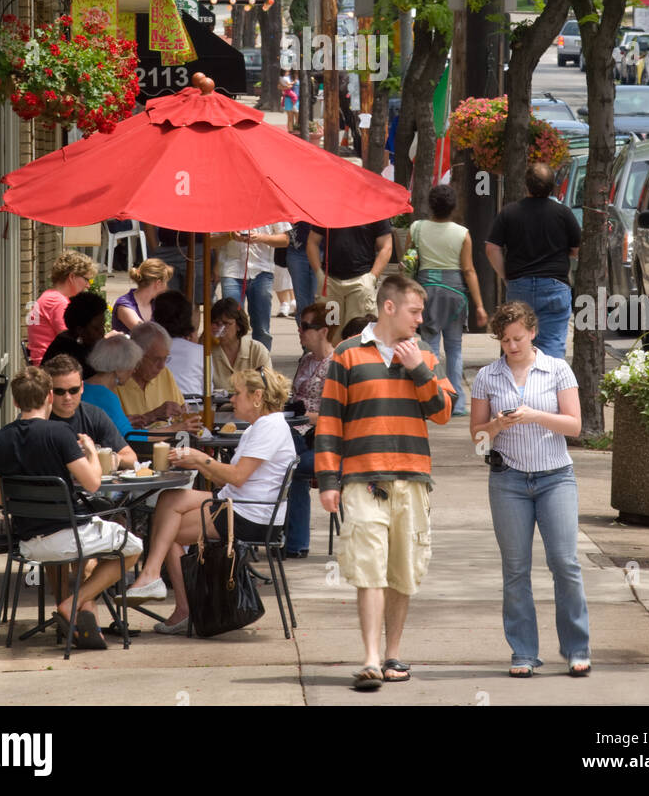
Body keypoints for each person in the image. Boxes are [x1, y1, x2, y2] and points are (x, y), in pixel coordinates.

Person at [315, 273, 454, 691]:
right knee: (369, 567)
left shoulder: (425, 355)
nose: (421, 319)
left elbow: (443, 411)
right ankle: (371, 658)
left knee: (402, 571)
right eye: (415, 311)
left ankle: (392, 653)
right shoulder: (347, 354)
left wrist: (417, 370)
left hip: (412, 478)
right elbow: (330, 419)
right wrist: (327, 479)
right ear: (389, 307)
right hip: (361, 477)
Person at [123, 367, 297, 632]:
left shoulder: (269, 427)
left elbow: (236, 477)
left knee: (164, 532)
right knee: (169, 499)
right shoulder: (258, 427)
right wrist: (198, 463)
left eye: (237, 394)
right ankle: (155, 578)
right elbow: (225, 481)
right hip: (239, 504)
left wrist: (199, 459)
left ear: (257, 396)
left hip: (251, 515)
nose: (232, 400)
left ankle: (172, 596)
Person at [470, 301, 591, 678]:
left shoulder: (557, 369)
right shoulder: (488, 376)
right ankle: (523, 651)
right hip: (508, 480)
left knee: (565, 563)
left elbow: (574, 426)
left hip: (555, 477)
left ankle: (577, 648)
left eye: (518, 338)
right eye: (505, 340)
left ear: (533, 333)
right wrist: (497, 426)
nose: (512, 346)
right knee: (516, 569)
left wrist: (534, 415)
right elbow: (476, 440)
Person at [0, 365, 142, 649]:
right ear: (49, 396)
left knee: (91, 548)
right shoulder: (59, 433)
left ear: (15, 401)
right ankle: (73, 604)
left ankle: (79, 613)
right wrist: (92, 452)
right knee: (132, 548)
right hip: (66, 536)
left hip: (26, 543)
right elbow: (94, 483)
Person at [404, 184, 488, 416]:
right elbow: (469, 270)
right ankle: (457, 404)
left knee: (429, 348)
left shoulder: (417, 228)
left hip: (426, 291)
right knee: (455, 349)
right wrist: (480, 305)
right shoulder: (462, 234)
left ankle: (431, 401)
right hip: (455, 293)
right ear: (453, 207)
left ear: (430, 205)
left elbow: (409, 259)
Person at [484, 162, 581, 360]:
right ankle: (550, 387)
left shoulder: (509, 213)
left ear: (526, 185)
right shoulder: (563, 213)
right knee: (553, 344)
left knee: (517, 343)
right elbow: (577, 249)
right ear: (552, 186)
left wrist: (506, 276)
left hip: (519, 284)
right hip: (555, 285)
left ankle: (520, 386)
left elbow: (492, 248)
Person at [285, 302, 338, 557]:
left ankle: (294, 542)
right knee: (278, 456)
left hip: (325, 444)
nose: (300, 330)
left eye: (305, 326)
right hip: (298, 435)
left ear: (323, 331)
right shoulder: (305, 359)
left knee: (290, 466)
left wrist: (306, 416)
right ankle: (277, 533)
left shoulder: (336, 364)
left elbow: (339, 416)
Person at [44, 354, 137, 470]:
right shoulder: (38, 419)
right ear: (48, 391)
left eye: (74, 390)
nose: (67, 397)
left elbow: (131, 458)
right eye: (59, 391)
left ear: (82, 387)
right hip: (53, 486)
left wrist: (114, 458)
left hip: (94, 486)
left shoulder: (95, 415)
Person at [214, 224, 290, 351]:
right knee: (230, 322)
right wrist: (230, 236)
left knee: (261, 326)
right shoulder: (226, 205)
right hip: (231, 271)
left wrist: (262, 238)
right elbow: (210, 240)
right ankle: (231, 365)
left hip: (262, 271)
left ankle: (262, 366)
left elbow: (285, 240)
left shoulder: (270, 205)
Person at [306, 218, 393, 327]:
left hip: (361, 281)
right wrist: (319, 274)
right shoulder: (329, 208)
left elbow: (386, 246)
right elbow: (312, 241)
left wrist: (371, 278)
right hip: (331, 283)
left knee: (358, 335)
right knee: (329, 334)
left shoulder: (376, 209)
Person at [26, 251, 98, 365]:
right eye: (86, 279)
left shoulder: (53, 296)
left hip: (54, 364)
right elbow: (74, 342)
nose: (88, 285)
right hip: (53, 369)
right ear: (72, 277)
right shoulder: (57, 302)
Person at [117, 322, 186, 429]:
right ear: (137, 355)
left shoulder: (164, 373)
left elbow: (182, 410)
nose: (162, 366)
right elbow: (115, 429)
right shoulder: (118, 379)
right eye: (156, 359)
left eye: (165, 358)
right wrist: (152, 416)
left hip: (168, 443)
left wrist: (182, 412)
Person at [82, 335, 142, 441]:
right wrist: (170, 429)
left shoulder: (84, 386)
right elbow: (130, 436)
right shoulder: (105, 395)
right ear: (119, 368)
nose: (134, 371)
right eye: (132, 365)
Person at [209, 297, 271, 391]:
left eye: (226, 324)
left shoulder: (257, 350)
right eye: (216, 324)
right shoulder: (206, 352)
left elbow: (268, 387)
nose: (220, 329)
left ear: (238, 325)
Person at [40, 291, 108, 376]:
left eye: (103, 325)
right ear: (80, 330)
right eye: (96, 328)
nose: (102, 332)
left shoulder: (87, 344)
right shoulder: (66, 352)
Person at [154, 290, 204, 399]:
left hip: (161, 406)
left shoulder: (147, 350)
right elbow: (207, 390)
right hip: (194, 407)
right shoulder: (202, 352)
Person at [111, 258, 173, 333]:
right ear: (158, 283)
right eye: (166, 282)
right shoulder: (125, 306)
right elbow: (146, 335)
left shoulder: (157, 304)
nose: (167, 288)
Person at [286, 222, 316, 328]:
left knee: (317, 301)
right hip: (296, 249)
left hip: (321, 248)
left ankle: (318, 341)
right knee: (302, 303)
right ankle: (306, 341)